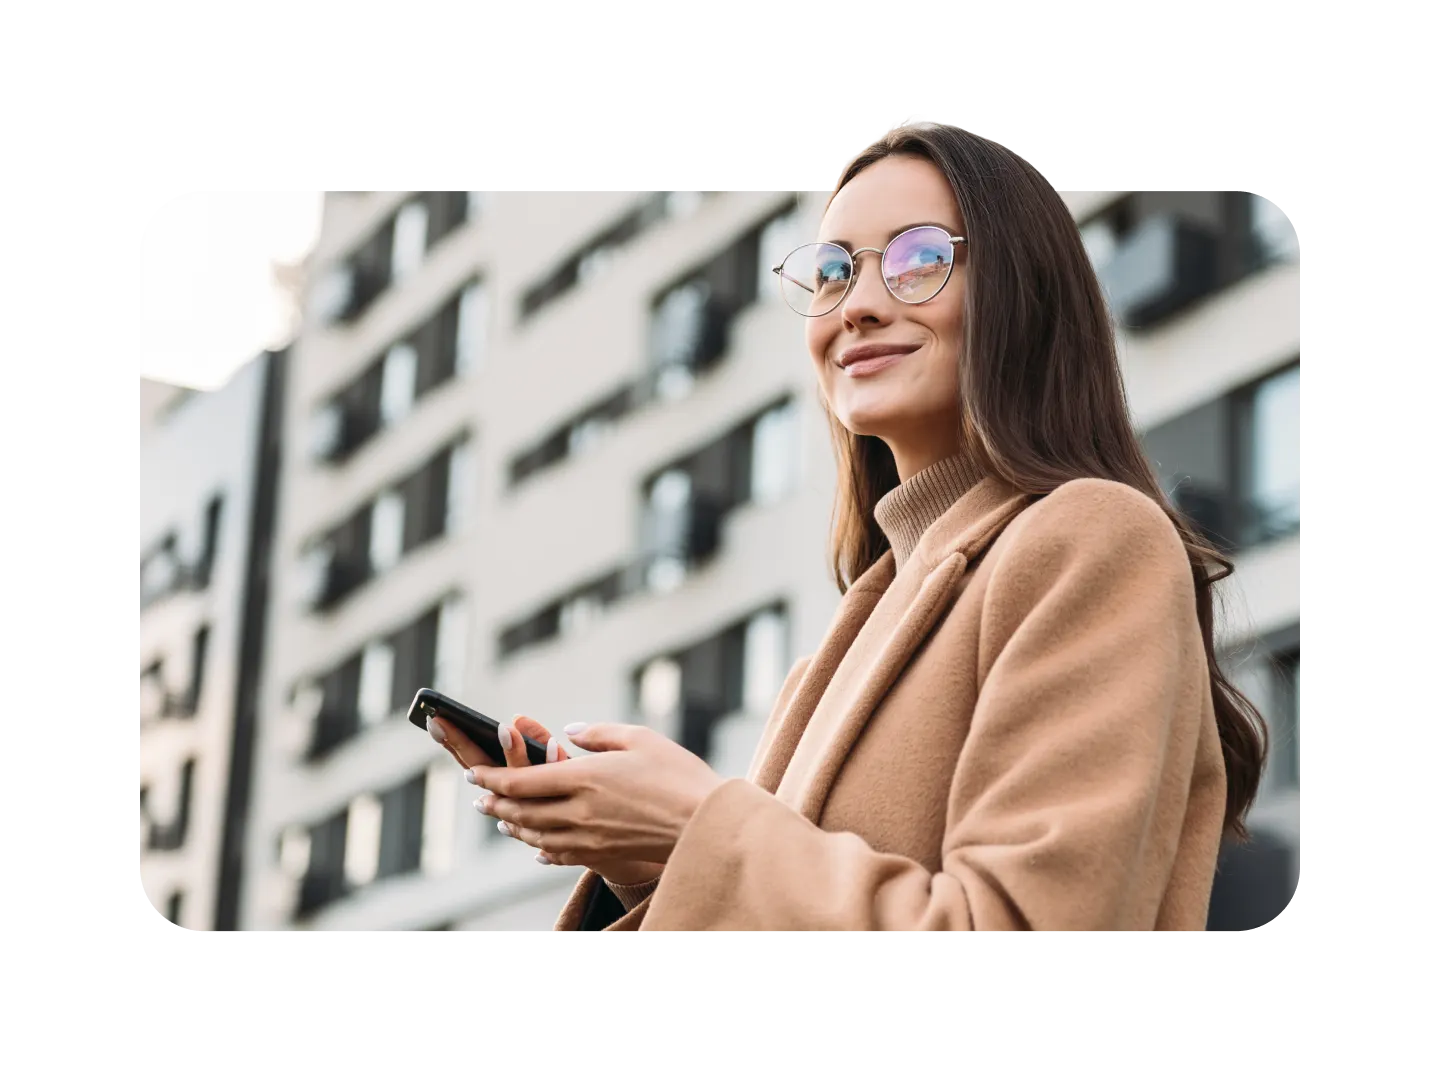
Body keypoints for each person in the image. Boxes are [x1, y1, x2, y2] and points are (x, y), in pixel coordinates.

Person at [427, 121, 1268, 933]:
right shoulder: (848, 635)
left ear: (1021, 288)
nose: (857, 305)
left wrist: (693, 827)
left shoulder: (1093, 538)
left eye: (920, 260)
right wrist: (646, 861)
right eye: (831, 272)